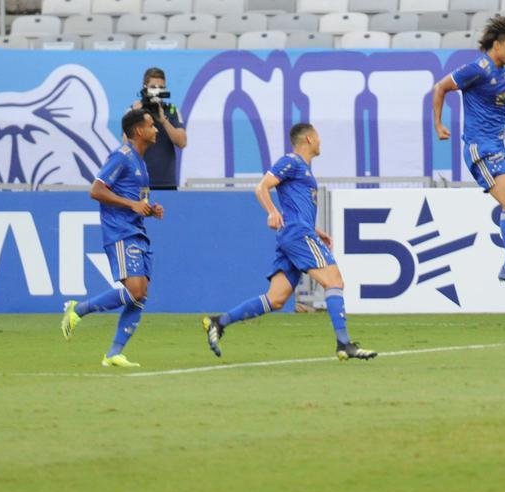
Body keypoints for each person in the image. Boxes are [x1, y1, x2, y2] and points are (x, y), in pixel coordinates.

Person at [202, 122, 378, 362]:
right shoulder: (292, 161)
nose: (320, 140)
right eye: (317, 136)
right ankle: (344, 343)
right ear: (308, 139)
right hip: (297, 234)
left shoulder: (304, 169)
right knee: (334, 281)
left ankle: (219, 322)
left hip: (297, 233)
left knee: (275, 299)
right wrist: (272, 211)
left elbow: (296, 208)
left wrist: (317, 231)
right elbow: (261, 187)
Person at [432, 15, 505, 291]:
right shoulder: (477, 68)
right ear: (497, 45)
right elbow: (441, 87)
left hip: (500, 148)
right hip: (480, 148)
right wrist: (439, 124)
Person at [60, 109, 164, 368]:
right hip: (120, 231)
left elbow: (134, 201)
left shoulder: (140, 162)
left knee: (140, 295)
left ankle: (114, 354)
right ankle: (78, 310)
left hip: (136, 230)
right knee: (135, 290)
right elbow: (96, 190)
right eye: (152, 125)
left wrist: (149, 209)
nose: (156, 130)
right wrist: (132, 205)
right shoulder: (122, 157)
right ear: (139, 131)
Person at [130, 66, 187, 190]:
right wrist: (135, 117)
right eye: (153, 88)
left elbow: (182, 142)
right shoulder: (133, 110)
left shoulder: (171, 110)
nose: (157, 92)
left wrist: (163, 121)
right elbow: (125, 143)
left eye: (161, 88)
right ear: (145, 88)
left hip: (167, 182)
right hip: (139, 181)